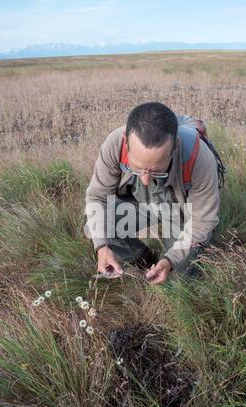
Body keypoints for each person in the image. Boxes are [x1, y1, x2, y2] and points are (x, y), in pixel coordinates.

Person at [84, 102, 220, 285]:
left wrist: (171, 260)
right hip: (139, 201)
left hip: (181, 212)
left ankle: (168, 265)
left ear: (175, 147)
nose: (146, 180)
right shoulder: (115, 143)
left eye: (158, 170)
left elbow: (202, 221)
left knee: (180, 278)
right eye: (137, 168)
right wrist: (101, 247)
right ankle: (143, 260)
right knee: (93, 228)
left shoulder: (199, 158)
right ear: (126, 142)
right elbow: (97, 198)